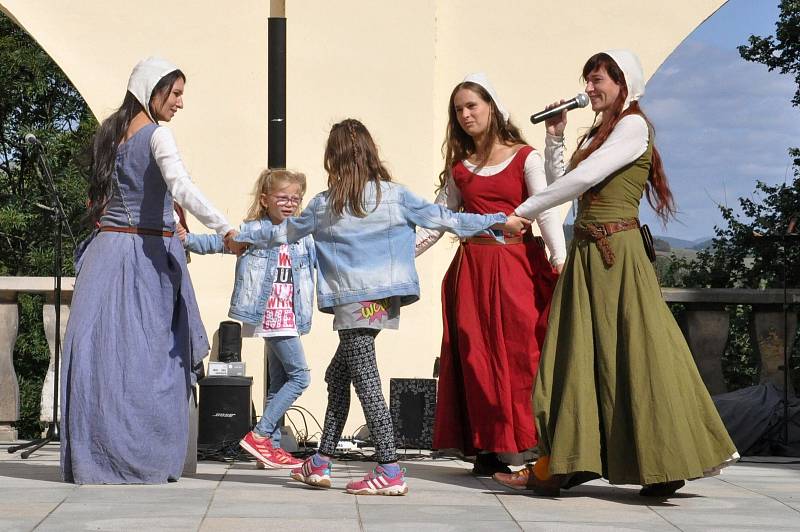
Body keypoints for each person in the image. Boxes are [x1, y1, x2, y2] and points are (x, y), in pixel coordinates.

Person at [233, 118, 530, 495]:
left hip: (353, 302)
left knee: (366, 379)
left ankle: (389, 468)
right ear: (371, 154)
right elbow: (447, 219)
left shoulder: (326, 205)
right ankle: (320, 462)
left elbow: (281, 232)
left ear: (332, 160)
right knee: (337, 375)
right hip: (382, 303)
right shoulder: (395, 196)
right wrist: (498, 221)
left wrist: (237, 236)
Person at [493, 50, 738, 497]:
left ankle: (663, 462)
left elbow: (584, 179)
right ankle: (568, 460)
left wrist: (521, 213)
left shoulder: (632, 126)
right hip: (589, 254)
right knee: (575, 357)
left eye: (597, 79)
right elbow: (563, 185)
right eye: (586, 80)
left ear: (624, 83)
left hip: (617, 256)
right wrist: (555, 140)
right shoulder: (599, 132)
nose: (588, 88)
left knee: (637, 355)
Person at [60, 57, 236, 484]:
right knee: (149, 360)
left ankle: (100, 460)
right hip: (144, 257)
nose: (179, 103)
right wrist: (224, 226)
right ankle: (143, 460)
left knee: (103, 358)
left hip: (106, 255)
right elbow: (182, 187)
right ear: (149, 91)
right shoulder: (159, 136)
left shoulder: (111, 134)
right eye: (174, 94)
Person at [415, 73, 566, 476]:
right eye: (459, 109)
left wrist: (559, 256)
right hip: (472, 273)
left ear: (492, 108)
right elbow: (436, 223)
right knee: (475, 359)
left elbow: (546, 207)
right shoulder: (460, 171)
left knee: (522, 355)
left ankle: (528, 443)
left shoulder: (525, 157)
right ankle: (486, 446)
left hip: (517, 268)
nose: (465, 114)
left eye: (472, 106)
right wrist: (391, 258)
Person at [182, 169, 314, 469]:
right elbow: (220, 243)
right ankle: (261, 435)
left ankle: (270, 450)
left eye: (296, 198)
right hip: (270, 314)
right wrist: (187, 239)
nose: (290, 203)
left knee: (279, 382)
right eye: (283, 197)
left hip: (292, 315)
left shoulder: (303, 234)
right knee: (300, 376)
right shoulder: (255, 231)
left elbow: (327, 260)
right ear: (265, 200)